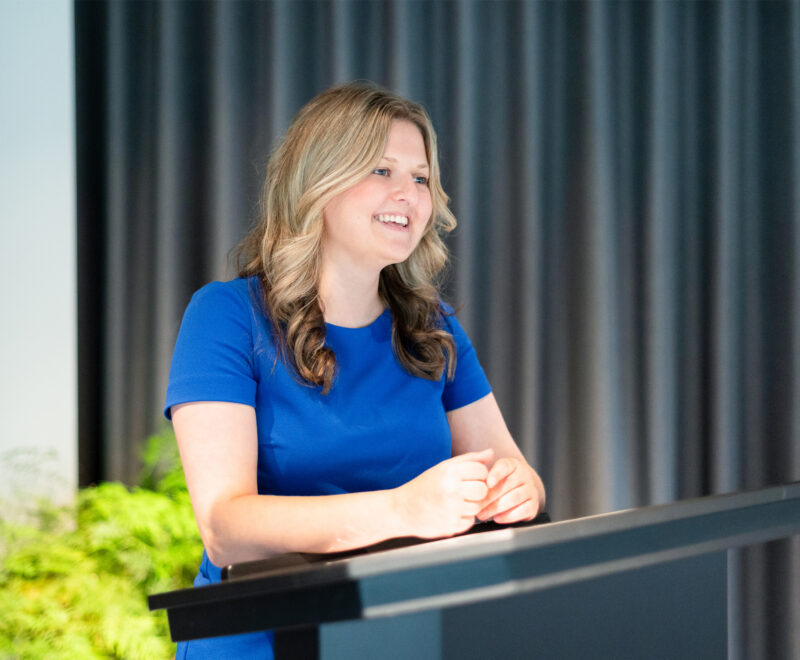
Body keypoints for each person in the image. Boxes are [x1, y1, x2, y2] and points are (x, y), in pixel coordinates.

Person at [165, 81, 546, 659]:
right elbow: (225, 528)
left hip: (404, 635)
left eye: (421, 178)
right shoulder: (226, 316)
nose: (409, 195)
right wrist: (403, 509)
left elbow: (515, 470)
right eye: (381, 170)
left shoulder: (434, 327)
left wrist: (519, 489)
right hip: (265, 641)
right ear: (317, 182)